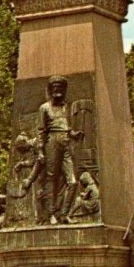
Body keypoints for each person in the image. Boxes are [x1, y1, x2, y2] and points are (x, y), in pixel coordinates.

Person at [37, 75, 82, 225]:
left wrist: (73, 134)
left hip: (66, 143)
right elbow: (41, 131)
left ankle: (64, 214)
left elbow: (65, 126)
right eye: (54, 88)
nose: (57, 90)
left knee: (73, 182)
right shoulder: (44, 108)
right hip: (52, 143)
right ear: (50, 90)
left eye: (60, 88)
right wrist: (40, 151)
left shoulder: (65, 107)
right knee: (52, 179)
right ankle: (51, 214)